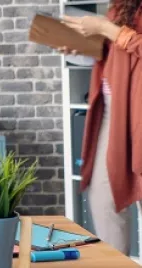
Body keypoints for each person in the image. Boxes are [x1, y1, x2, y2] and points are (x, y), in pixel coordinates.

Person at [61, 0, 142, 255]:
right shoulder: (121, 5)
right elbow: (117, 55)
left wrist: (110, 30)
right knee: (103, 200)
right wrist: (86, 49)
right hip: (113, 112)